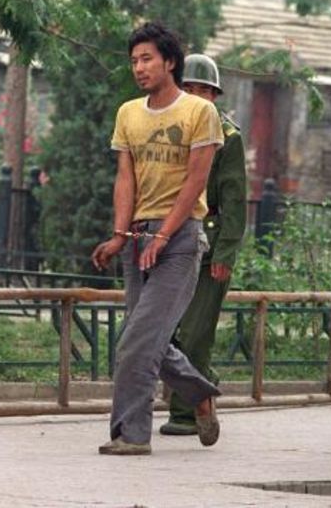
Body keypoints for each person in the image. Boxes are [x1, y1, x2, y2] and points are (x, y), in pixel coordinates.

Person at [91, 23, 223, 456]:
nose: (139, 68)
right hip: (136, 239)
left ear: (170, 62)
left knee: (136, 339)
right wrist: (119, 235)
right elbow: (125, 178)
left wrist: (164, 235)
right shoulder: (128, 113)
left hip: (181, 239)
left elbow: (195, 181)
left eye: (147, 59)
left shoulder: (199, 112)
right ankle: (199, 394)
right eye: (133, 61)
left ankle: (131, 435)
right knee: (145, 336)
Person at [159, 54, 247, 437]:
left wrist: (225, 253)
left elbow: (235, 200)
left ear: (214, 96)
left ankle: (185, 413)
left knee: (196, 333)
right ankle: (203, 384)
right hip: (168, 241)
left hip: (209, 245)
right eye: (189, 89)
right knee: (165, 331)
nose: (196, 97)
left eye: (203, 91)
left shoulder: (228, 138)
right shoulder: (166, 129)